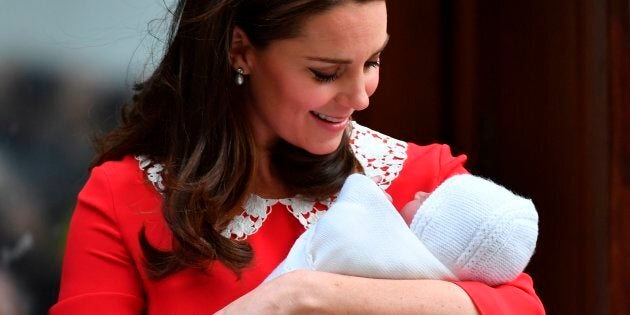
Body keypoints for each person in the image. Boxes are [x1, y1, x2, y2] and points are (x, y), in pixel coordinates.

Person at [50, 1, 545, 314]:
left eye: (371, 62)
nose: (361, 98)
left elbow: (522, 308)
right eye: (326, 73)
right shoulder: (124, 196)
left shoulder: (420, 178)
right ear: (240, 50)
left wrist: (304, 296)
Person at [265, 173, 539, 287]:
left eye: (429, 199)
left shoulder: (380, 257)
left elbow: (349, 213)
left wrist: (370, 202)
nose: (419, 192)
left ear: (438, 235)